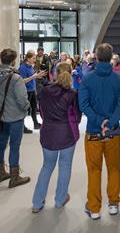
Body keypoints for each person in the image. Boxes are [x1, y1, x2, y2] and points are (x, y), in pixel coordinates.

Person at [78, 43, 120, 220]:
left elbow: (83, 105)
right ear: (111, 57)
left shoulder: (87, 78)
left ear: (96, 58)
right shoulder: (119, 79)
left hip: (93, 131)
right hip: (112, 132)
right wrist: (110, 122)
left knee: (94, 170)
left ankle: (94, 208)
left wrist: (99, 121)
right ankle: (113, 203)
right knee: (114, 168)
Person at [32, 62, 82, 213]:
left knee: (47, 167)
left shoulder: (45, 90)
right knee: (65, 166)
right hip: (67, 133)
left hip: (48, 133)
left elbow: (41, 111)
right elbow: (78, 116)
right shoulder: (72, 94)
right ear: (70, 74)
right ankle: (60, 200)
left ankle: (36, 203)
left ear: (55, 73)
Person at [0, 48, 31, 188]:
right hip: (16, 118)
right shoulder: (15, 78)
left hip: (1, 117)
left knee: (1, 144)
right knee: (14, 146)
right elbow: (22, 100)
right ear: (13, 61)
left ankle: (0, 173)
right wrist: (26, 106)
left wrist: (1, 106)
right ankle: (14, 177)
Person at [18, 50, 47, 133]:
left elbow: (33, 76)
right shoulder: (22, 68)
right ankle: (22, 127)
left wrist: (39, 75)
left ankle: (35, 123)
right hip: (26, 91)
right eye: (33, 58)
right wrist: (34, 76)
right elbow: (22, 81)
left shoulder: (31, 66)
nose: (35, 60)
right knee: (25, 110)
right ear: (28, 58)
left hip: (32, 90)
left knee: (34, 107)